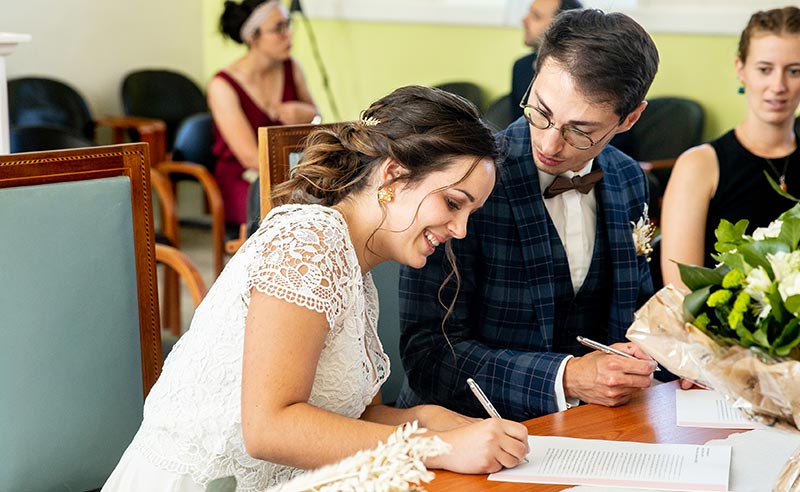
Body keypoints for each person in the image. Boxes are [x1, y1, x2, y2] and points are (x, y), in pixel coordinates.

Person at [101, 85, 529, 491]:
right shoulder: (309, 243)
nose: (461, 230)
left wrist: (424, 418)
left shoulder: (355, 267)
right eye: (454, 203)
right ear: (394, 175)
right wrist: (436, 448)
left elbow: (344, 419)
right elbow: (268, 428)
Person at [397, 9, 660, 422]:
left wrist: (669, 357)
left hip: (598, 428)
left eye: (580, 130)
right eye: (541, 111)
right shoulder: (463, 183)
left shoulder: (629, 179)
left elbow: (638, 311)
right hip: (466, 431)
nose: (551, 143)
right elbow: (428, 355)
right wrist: (566, 377)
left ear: (630, 118)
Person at [661, 6, 800, 289]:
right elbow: (680, 292)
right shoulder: (700, 165)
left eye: (794, 71)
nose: (778, 85)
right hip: (712, 328)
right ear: (741, 70)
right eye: (764, 69)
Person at [208, 0, 319, 233]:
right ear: (252, 37)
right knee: (296, 205)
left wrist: (305, 113)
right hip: (243, 179)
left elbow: (318, 119)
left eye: (288, 24)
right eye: (278, 28)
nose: (288, 34)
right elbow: (250, 157)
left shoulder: (292, 67)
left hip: (291, 171)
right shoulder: (222, 86)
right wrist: (302, 178)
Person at [510, 0, 583, 122]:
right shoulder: (521, 66)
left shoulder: (582, 73)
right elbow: (517, 127)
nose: (524, 21)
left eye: (536, 16)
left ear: (562, 27)